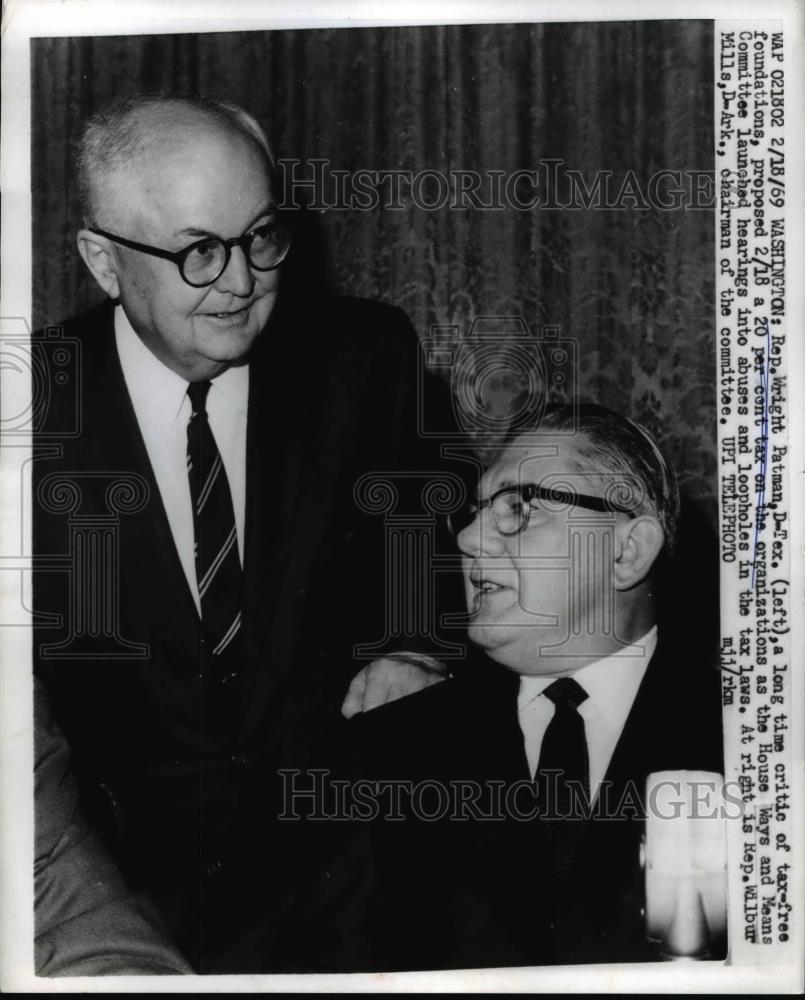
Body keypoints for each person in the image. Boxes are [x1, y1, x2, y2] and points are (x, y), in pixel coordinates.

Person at [33, 94, 450, 972]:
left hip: (347, 880)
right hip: (109, 899)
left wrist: (411, 647)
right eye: (197, 251)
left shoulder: (361, 359)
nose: (240, 280)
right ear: (103, 262)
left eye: (261, 236)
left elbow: (422, 552)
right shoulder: (30, 405)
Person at [350, 403, 724, 969]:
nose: (471, 538)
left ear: (628, 550)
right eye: (474, 512)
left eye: (519, 507)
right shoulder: (390, 744)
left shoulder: (757, 737)